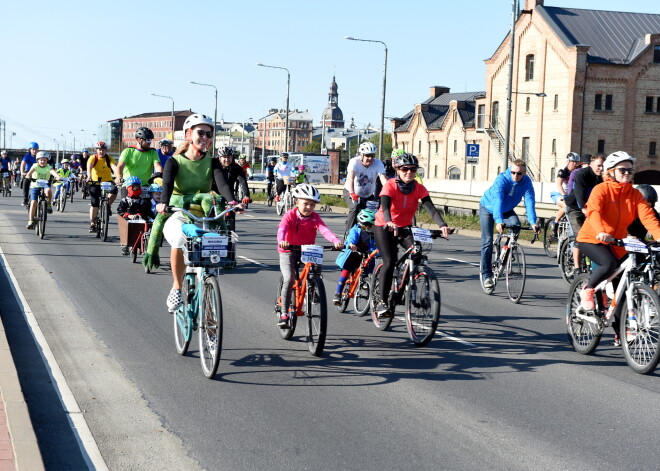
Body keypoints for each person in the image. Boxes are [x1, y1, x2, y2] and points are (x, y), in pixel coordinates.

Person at [149, 113, 240, 311]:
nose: (205, 138)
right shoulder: (174, 162)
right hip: (179, 212)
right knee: (180, 239)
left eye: (209, 134)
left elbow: (222, 183)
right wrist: (164, 203)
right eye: (201, 133)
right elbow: (167, 186)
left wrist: (233, 201)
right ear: (189, 134)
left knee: (215, 249)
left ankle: (208, 300)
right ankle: (176, 287)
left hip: (204, 216)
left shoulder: (213, 162)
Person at [576, 151, 660, 345]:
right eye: (623, 170)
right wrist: (601, 231)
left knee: (623, 287)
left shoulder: (635, 194)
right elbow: (594, 212)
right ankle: (588, 290)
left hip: (617, 242)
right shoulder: (601, 190)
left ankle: (622, 330)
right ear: (611, 171)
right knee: (609, 264)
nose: (627, 174)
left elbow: (648, 218)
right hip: (592, 238)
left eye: (630, 171)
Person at [373, 153, 451, 316]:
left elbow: (431, 208)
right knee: (389, 260)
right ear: (397, 170)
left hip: (405, 227)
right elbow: (385, 207)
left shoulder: (419, 188)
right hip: (384, 226)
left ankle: (406, 283)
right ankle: (382, 302)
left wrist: (442, 225)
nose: (409, 172)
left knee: (416, 253)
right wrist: (388, 221)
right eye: (405, 169)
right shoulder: (390, 185)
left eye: (413, 169)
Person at [277, 183, 343, 327]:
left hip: (306, 250)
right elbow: (282, 229)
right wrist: (282, 241)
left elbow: (324, 230)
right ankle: (284, 314)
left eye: (312, 205)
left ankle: (313, 288)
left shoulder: (315, 217)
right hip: (288, 250)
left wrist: (336, 241)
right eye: (305, 204)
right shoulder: (290, 215)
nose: (309, 208)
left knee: (316, 267)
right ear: (296, 202)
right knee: (289, 278)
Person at [479, 159, 539, 289]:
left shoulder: (526, 182)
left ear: (525, 173)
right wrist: (499, 220)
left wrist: (533, 222)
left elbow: (529, 202)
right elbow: (497, 200)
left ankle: (506, 251)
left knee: (516, 226)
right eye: (513, 172)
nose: (515, 176)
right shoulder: (502, 179)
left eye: (519, 174)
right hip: (489, 207)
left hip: (506, 209)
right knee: (487, 241)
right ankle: (486, 276)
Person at [563, 154, 604, 276]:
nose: (601, 169)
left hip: (592, 209)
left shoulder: (602, 177)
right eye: (598, 166)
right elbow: (579, 192)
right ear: (591, 164)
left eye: (603, 166)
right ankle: (576, 268)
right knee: (580, 236)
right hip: (575, 208)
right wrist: (583, 208)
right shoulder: (582, 174)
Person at [333, 209, 378, 305]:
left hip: (365, 254)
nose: (370, 228)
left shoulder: (371, 235)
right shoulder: (355, 230)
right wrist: (351, 244)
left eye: (372, 226)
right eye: (368, 225)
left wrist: (378, 252)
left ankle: (366, 282)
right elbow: (351, 239)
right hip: (353, 253)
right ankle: (338, 293)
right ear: (361, 223)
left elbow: (374, 246)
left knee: (370, 264)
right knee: (346, 271)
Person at [343, 142, 388, 235]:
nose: (370, 158)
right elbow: (351, 177)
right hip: (351, 191)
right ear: (361, 155)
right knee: (354, 208)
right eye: (367, 156)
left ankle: (370, 238)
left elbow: (383, 179)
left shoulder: (378, 163)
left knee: (373, 213)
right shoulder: (354, 162)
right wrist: (352, 193)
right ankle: (348, 236)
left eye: (372, 156)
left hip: (368, 195)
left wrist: (390, 191)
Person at [115, 127, 162, 198]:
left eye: (150, 140)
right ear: (138, 139)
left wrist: (159, 175)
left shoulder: (153, 152)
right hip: (129, 185)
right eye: (147, 140)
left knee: (149, 207)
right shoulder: (128, 151)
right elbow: (120, 166)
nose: (149, 143)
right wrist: (118, 177)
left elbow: (158, 166)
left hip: (145, 185)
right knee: (126, 206)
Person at [217, 146, 250, 238]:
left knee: (231, 212)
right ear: (220, 158)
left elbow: (243, 181)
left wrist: (246, 195)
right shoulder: (215, 166)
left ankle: (230, 237)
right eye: (224, 157)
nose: (227, 159)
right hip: (214, 193)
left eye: (229, 157)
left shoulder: (236, 168)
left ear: (232, 158)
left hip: (230, 194)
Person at [87, 141, 119, 233]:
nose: (101, 151)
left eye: (103, 150)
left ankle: (107, 205)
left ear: (105, 150)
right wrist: (89, 176)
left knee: (114, 190)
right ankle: (92, 223)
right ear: (96, 150)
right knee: (94, 203)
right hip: (95, 182)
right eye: (99, 150)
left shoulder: (109, 159)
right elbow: (89, 166)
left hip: (107, 181)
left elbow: (114, 167)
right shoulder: (93, 158)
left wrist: (118, 177)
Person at [117, 176, 153, 255]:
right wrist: (128, 215)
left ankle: (145, 244)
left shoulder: (142, 201)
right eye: (134, 186)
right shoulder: (125, 200)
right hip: (128, 220)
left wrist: (145, 215)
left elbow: (147, 211)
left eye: (137, 186)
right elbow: (120, 211)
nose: (136, 188)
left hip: (140, 220)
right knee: (125, 225)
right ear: (129, 188)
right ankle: (124, 243)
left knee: (148, 224)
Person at [24, 151, 60, 229]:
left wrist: (57, 176)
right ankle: (30, 221)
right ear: (37, 160)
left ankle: (49, 204)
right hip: (35, 185)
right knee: (33, 203)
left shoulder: (48, 167)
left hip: (45, 185)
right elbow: (30, 172)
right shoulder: (35, 166)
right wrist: (28, 175)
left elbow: (52, 171)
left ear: (47, 160)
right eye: (41, 160)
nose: (42, 161)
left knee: (49, 191)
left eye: (44, 160)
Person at [549, 152, 581, 235]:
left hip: (569, 194)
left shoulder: (578, 170)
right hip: (557, 193)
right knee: (566, 206)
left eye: (577, 162)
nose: (575, 164)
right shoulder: (563, 170)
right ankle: (555, 223)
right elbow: (559, 185)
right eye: (573, 162)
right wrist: (564, 195)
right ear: (568, 161)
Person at [20, 142, 39, 206]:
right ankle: (25, 199)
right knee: (26, 181)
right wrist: (22, 172)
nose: (34, 151)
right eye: (33, 149)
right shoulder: (27, 156)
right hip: (28, 171)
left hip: (37, 172)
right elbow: (23, 164)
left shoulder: (39, 156)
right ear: (30, 150)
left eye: (36, 149)